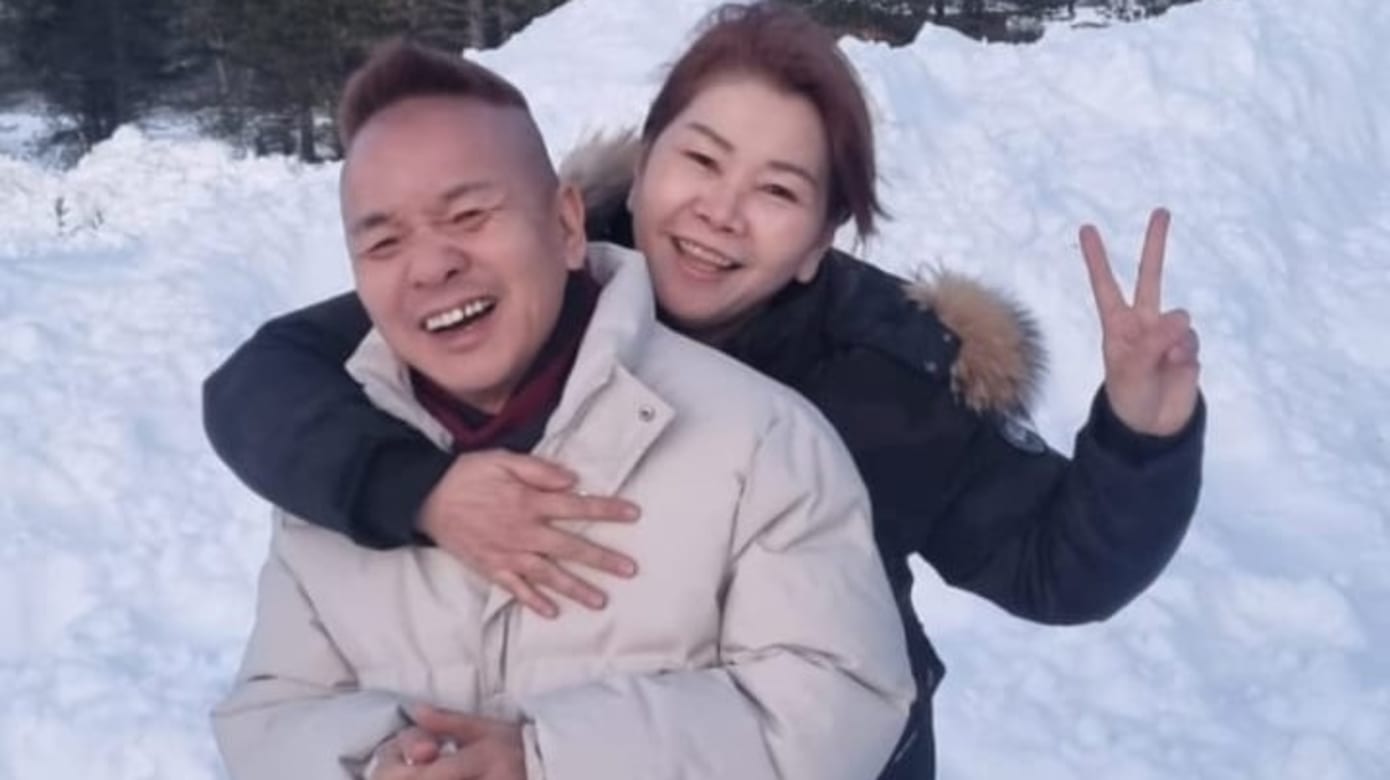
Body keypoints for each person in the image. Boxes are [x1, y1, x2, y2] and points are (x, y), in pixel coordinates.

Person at [204, 3, 1206, 777]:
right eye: (700, 160)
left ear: (818, 243)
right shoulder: (511, 280)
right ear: (639, 174)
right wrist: (414, 491)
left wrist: (1143, 435)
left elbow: (1054, 569)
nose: (721, 213)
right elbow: (264, 381)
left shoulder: (882, 380)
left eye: (777, 191)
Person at [209, 40, 912, 780]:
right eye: (384, 241)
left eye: (470, 214)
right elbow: (269, 715)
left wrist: (548, 760)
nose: (431, 265)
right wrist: (380, 759)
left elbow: (834, 704)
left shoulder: (767, 442)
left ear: (569, 226)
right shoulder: (340, 464)